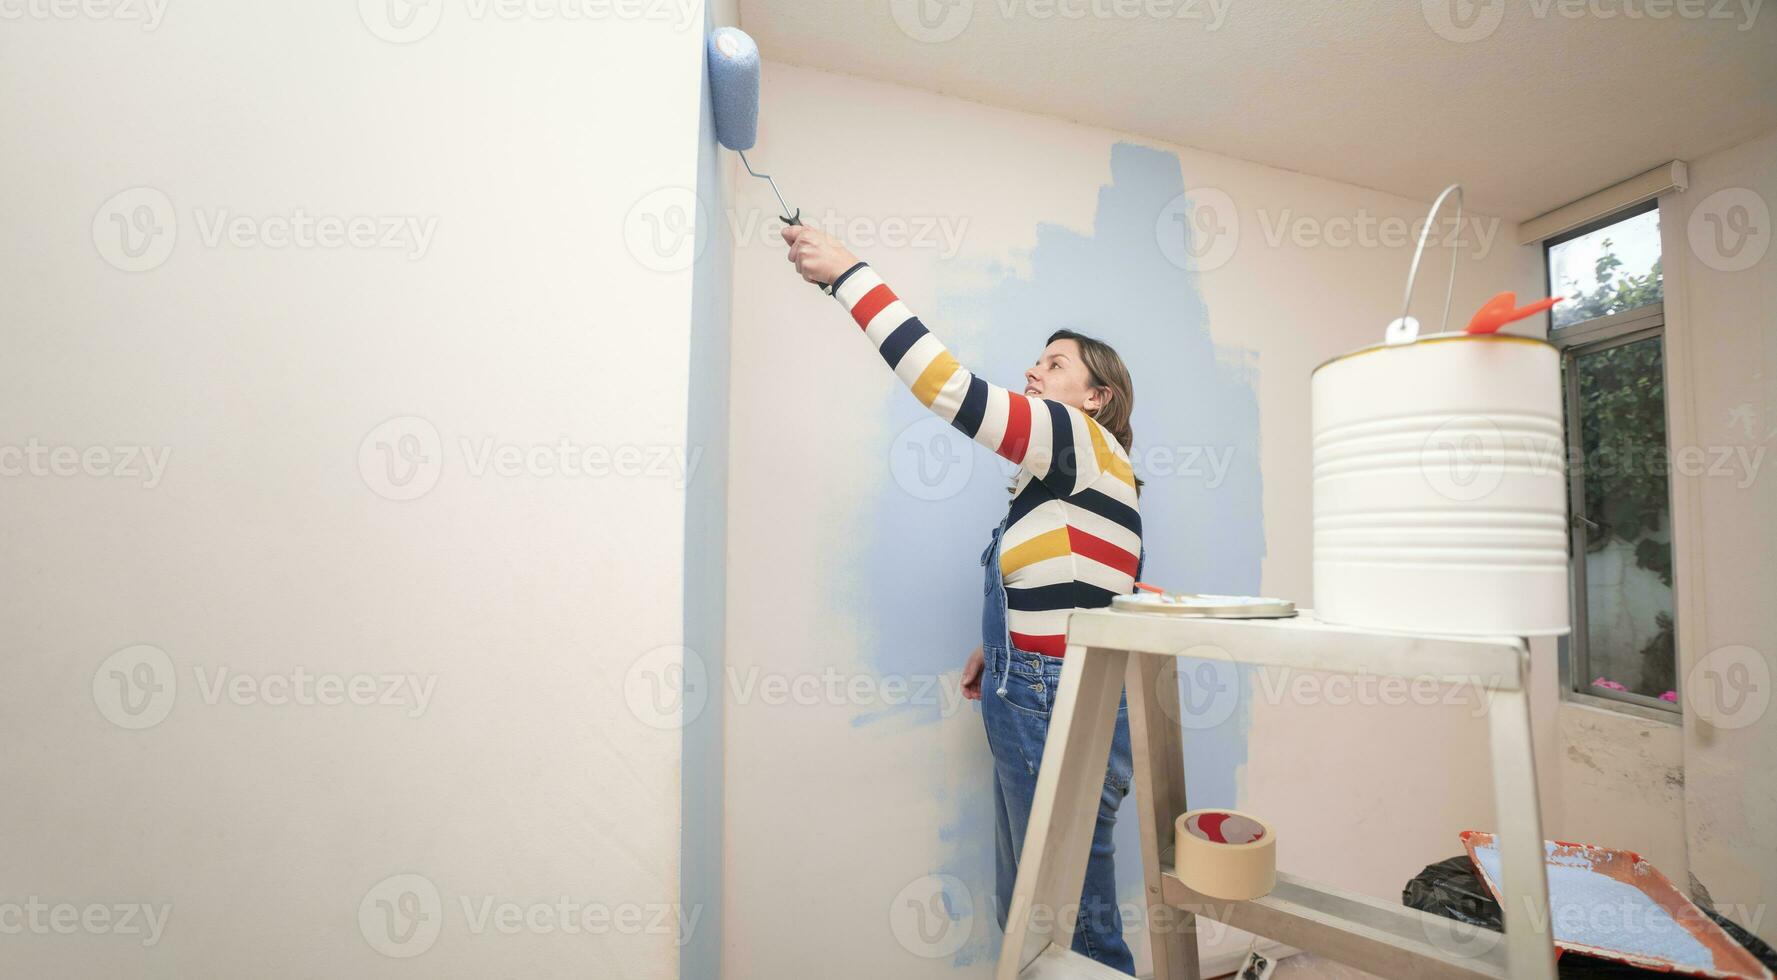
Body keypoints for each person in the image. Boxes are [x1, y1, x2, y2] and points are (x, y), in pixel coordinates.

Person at [783, 225, 1145, 973]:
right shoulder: (1073, 484)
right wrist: (1003, 641)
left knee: (1067, 925)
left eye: (1055, 364)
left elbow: (945, 386)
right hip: (1048, 690)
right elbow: (1099, 585)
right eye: (1037, 360)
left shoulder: (1075, 437)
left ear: (1096, 396)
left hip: (1052, 702)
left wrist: (848, 274)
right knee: (1039, 913)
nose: (1033, 372)